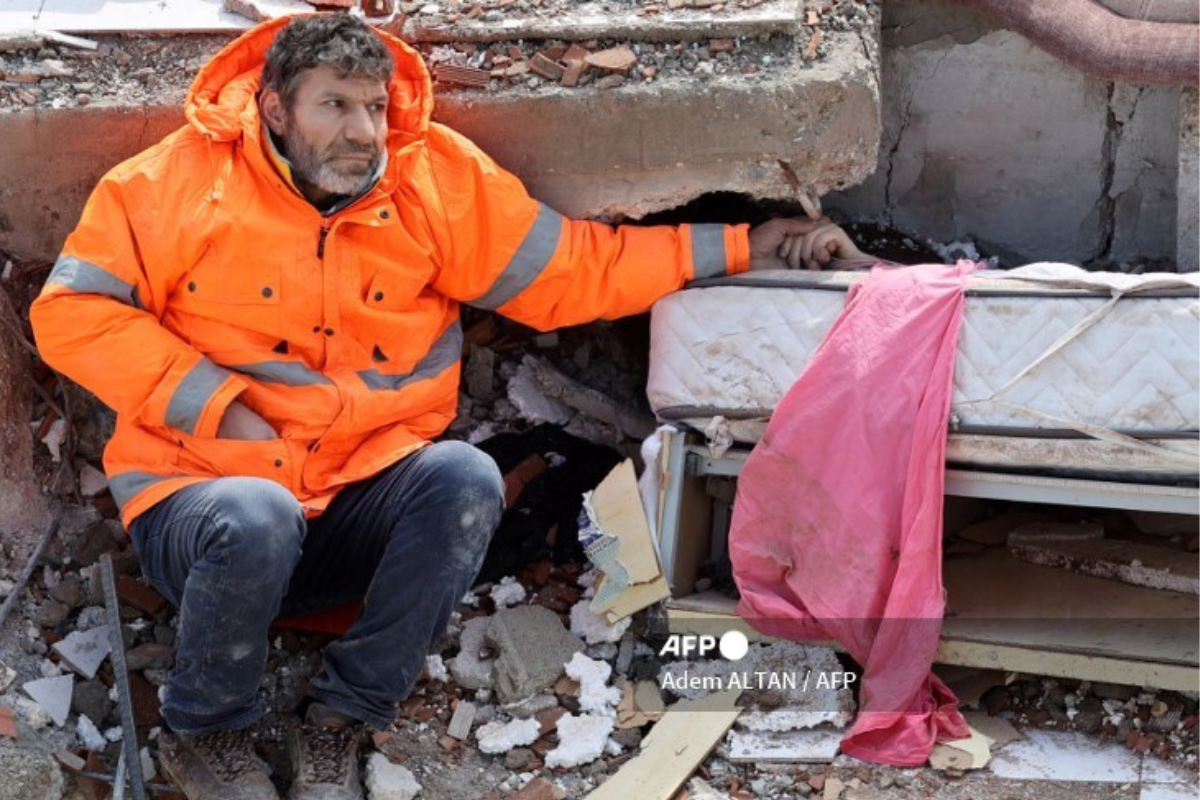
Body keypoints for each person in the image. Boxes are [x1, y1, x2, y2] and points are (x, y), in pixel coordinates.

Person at [31, 13, 863, 800]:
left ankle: (342, 720)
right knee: (255, 515)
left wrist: (749, 245)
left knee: (465, 478)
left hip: (356, 504)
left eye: (374, 108)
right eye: (335, 106)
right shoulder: (170, 182)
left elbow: (574, 270)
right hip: (211, 514)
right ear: (275, 108)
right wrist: (216, 402)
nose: (363, 132)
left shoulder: (430, 178)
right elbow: (69, 315)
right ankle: (203, 732)